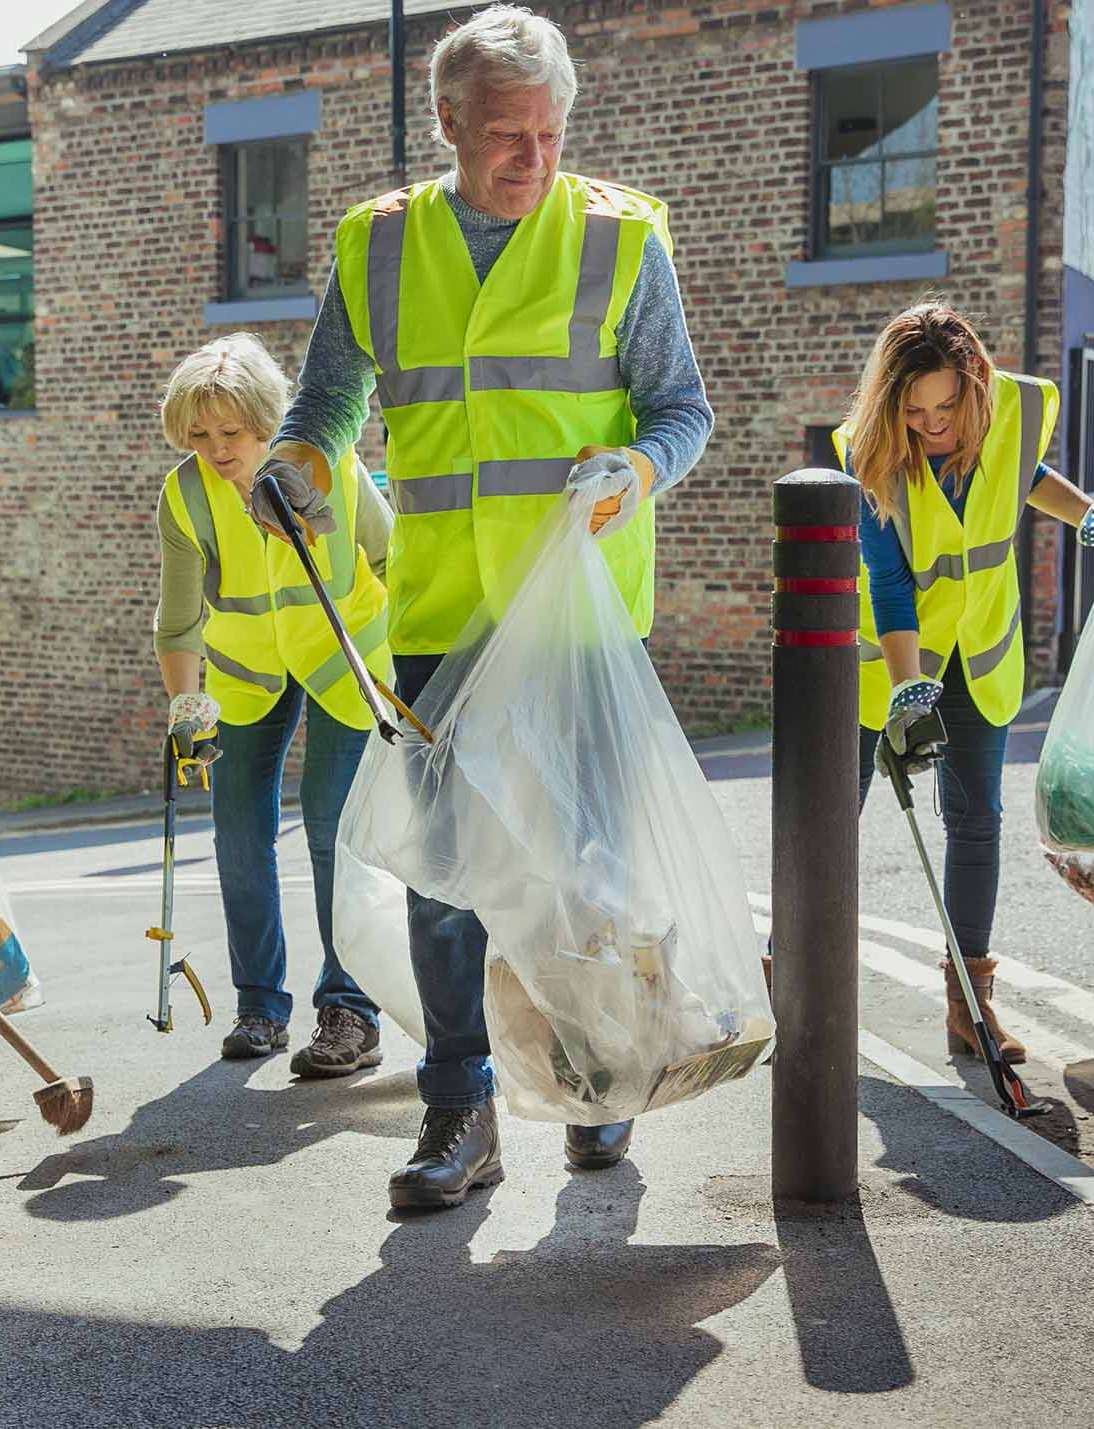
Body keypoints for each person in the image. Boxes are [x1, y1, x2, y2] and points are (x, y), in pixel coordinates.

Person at [265, 3, 714, 1211]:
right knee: (446, 878)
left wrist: (636, 468)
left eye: (552, 132)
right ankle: (457, 1109)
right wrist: (297, 470)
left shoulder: (621, 242)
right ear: (447, 124)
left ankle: (601, 1074)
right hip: (439, 617)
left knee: (589, 868)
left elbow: (683, 411)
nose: (534, 158)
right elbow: (323, 415)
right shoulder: (374, 246)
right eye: (507, 134)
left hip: (574, 621)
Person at [840, 303, 1094, 1063]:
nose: (931, 425)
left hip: (981, 654)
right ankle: (785, 980)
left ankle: (969, 1006)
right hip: (885, 668)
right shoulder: (870, 454)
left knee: (975, 822)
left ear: (975, 386)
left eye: (946, 406)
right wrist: (907, 690)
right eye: (914, 411)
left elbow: (1029, 478)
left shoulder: (1012, 415)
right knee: (833, 825)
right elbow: (890, 585)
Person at [153, 334, 394, 1078]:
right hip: (246, 669)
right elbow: (179, 620)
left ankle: (350, 1008)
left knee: (331, 826)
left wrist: (418, 667)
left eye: (231, 432)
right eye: (199, 435)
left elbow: (392, 557)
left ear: (267, 419)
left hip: (341, 654)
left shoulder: (332, 468)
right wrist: (188, 717)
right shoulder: (186, 494)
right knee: (237, 832)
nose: (217, 450)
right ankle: (260, 1003)